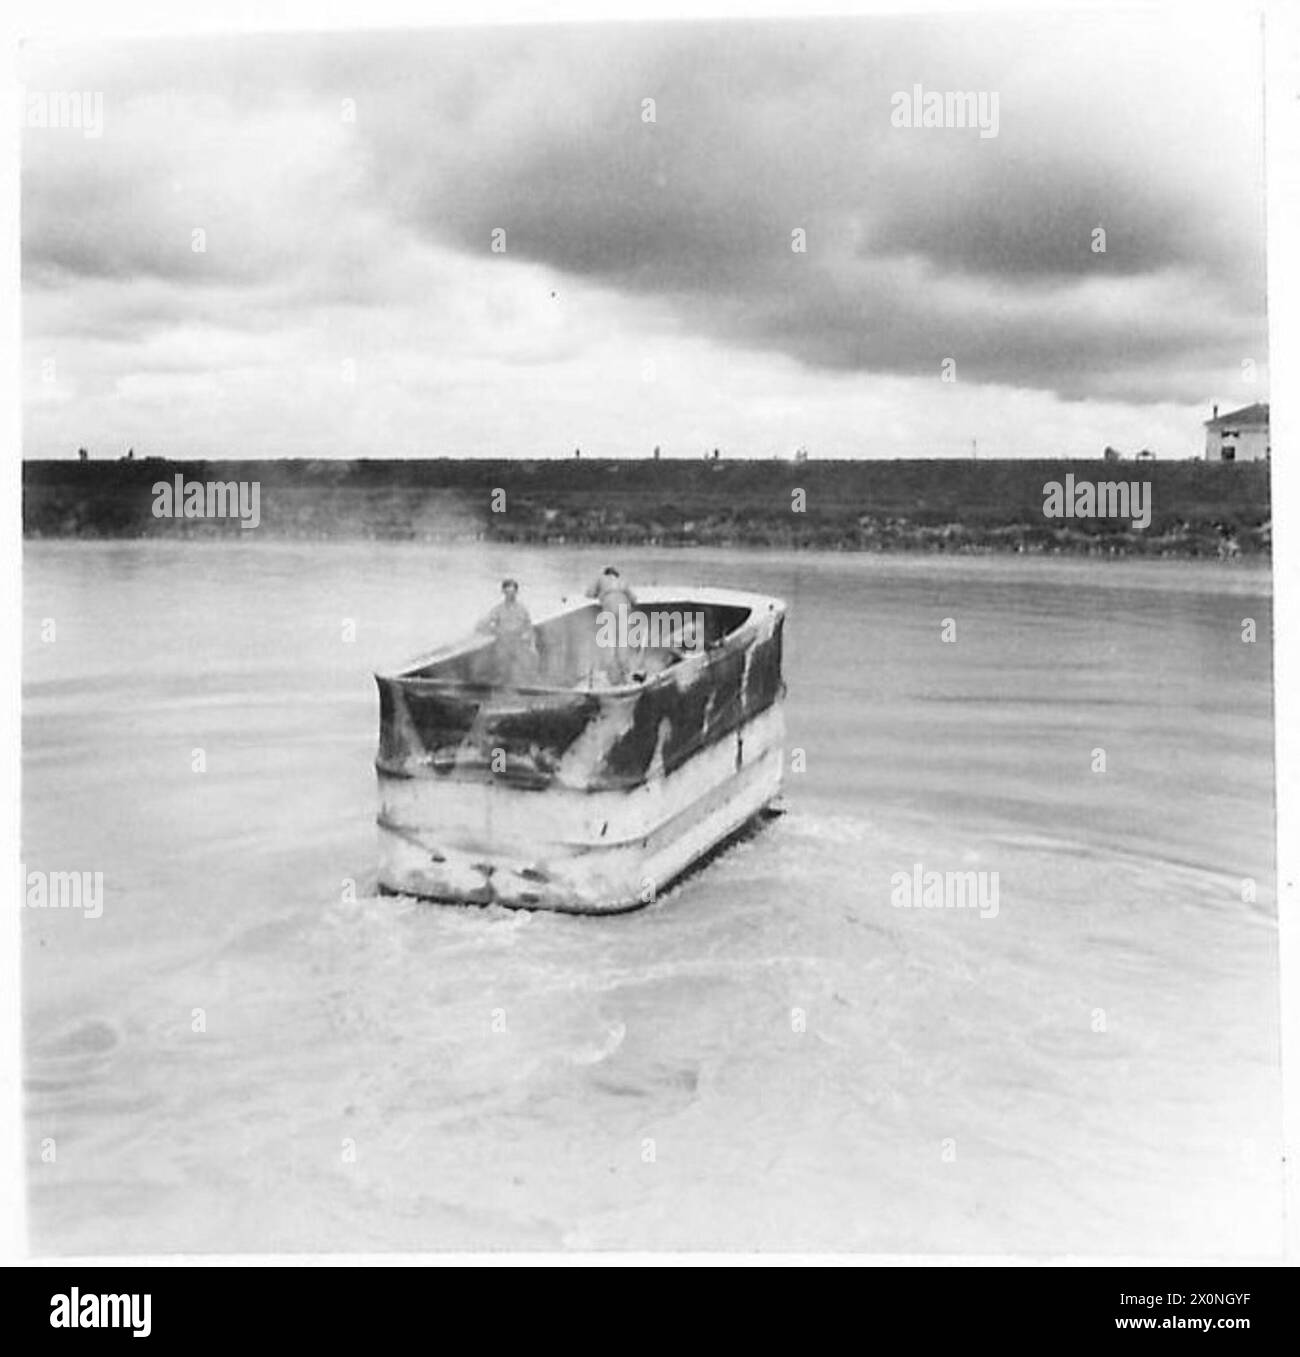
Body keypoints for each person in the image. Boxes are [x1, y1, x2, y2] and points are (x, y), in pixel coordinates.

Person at [476, 578, 538, 683]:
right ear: (503, 592)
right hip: (503, 643)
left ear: (517, 592)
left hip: (519, 642)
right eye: (508, 592)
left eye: (513, 592)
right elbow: (483, 624)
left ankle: (528, 683)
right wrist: (494, 630)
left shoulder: (522, 609)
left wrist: (532, 645)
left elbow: (529, 628)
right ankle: (502, 685)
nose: (510, 595)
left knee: (531, 659)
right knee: (501, 665)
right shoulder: (498, 609)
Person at [586, 566, 639, 682]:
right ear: (616, 574)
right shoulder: (623, 581)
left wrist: (600, 594)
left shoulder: (601, 579)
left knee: (609, 642)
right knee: (623, 642)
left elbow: (589, 593)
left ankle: (611, 676)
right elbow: (634, 598)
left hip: (609, 607)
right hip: (623, 607)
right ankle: (625, 674)